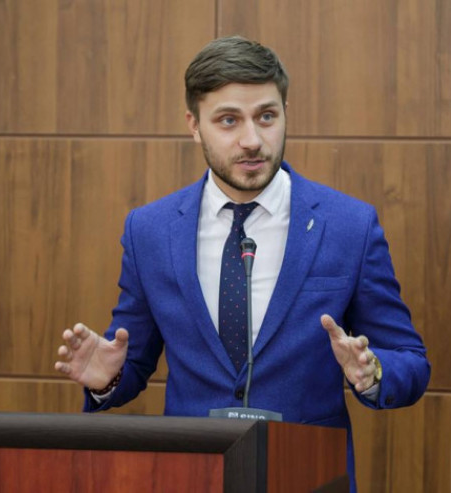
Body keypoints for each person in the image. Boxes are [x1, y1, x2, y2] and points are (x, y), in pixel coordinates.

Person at [54, 35, 430, 492]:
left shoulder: (349, 225)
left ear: (285, 113)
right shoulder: (150, 231)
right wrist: (107, 379)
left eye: (266, 116)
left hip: (306, 477)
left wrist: (374, 373)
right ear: (194, 125)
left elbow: (410, 361)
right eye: (228, 120)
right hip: (192, 477)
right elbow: (131, 361)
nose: (252, 140)